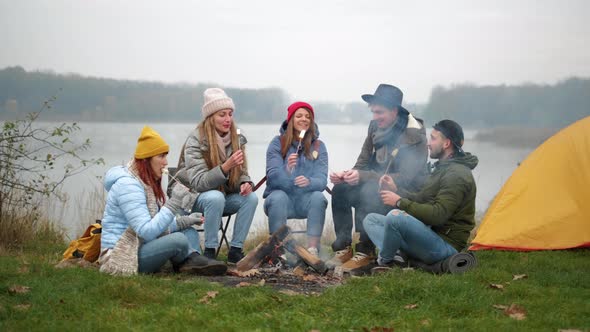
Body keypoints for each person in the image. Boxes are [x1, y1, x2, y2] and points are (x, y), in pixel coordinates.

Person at [99, 126, 227, 276]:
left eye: (166, 156)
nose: (166, 162)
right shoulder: (129, 186)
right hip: (122, 254)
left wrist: (187, 220)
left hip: (141, 245)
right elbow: (147, 231)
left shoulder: (146, 181)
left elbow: (159, 226)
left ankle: (192, 262)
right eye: (161, 157)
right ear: (146, 160)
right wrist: (174, 202)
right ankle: (192, 262)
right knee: (178, 239)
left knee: (188, 231)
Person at [328, 84, 429, 272]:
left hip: (406, 192)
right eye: (373, 112)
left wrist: (363, 176)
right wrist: (347, 175)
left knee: (372, 191)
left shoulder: (414, 134)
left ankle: (365, 252)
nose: (374, 117)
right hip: (376, 182)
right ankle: (343, 248)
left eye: (379, 112)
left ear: (394, 111)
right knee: (340, 190)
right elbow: (363, 161)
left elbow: (407, 177)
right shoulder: (375, 126)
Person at [363, 119, 478, 272]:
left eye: (433, 138)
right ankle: (397, 256)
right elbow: (422, 198)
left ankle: (384, 263)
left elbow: (437, 215)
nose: (428, 143)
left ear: (446, 144)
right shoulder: (442, 168)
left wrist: (399, 202)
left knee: (395, 217)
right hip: (429, 235)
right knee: (371, 220)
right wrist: (396, 190)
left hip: (445, 246)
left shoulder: (456, 175)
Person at [171, 88, 258, 264]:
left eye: (230, 114)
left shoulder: (237, 138)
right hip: (193, 198)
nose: (228, 120)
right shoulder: (195, 140)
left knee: (251, 198)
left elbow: (242, 172)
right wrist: (226, 167)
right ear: (210, 117)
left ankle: (235, 251)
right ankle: (210, 251)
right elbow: (198, 182)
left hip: (221, 197)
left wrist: (245, 182)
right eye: (222, 115)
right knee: (215, 197)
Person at [263, 101, 328, 256]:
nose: (304, 119)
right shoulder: (278, 142)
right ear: (290, 120)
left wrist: (309, 182)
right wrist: (286, 169)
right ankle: (278, 251)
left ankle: (312, 249)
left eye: (308, 116)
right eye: (299, 116)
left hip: (304, 201)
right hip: (280, 201)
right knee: (278, 197)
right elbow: (272, 177)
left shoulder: (318, 146)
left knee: (319, 197)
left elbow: (322, 179)